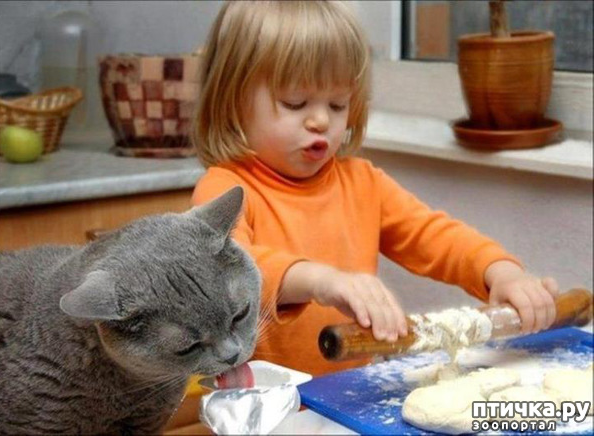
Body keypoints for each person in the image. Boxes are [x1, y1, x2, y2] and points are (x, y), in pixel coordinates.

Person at [190, 0, 559, 376]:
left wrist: (500, 272)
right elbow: (229, 274)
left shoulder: (364, 183)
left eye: (337, 105)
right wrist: (320, 281)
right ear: (231, 101)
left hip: (348, 394)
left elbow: (436, 237)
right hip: (261, 402)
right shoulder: (224, 189)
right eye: (295, 102)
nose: (321, 120)